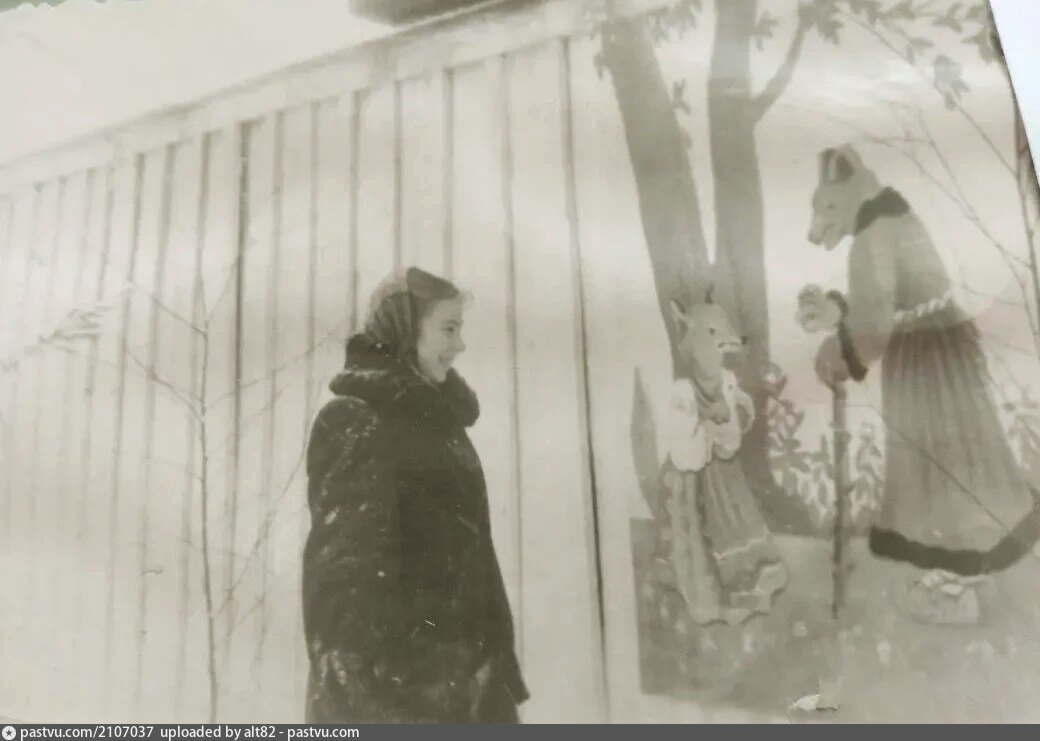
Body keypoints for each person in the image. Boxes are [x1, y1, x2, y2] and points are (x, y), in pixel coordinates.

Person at [302, 266, 528, 722]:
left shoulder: (438, 424)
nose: (460, 345)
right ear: (406, 329)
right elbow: (342, 596)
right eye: (449, 328)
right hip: (401, 705)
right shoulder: (357, 421)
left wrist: (491, 672)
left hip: (465, 692)